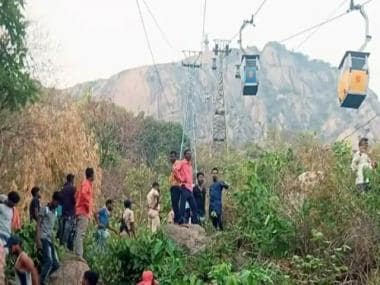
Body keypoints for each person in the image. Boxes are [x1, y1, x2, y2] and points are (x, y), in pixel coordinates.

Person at [36, 191, 61, 285]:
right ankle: (40, 282)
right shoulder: (44, 209)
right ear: (53, 199)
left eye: (59, 204)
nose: (58, 205)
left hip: (50, 239)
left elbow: (52, 229)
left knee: (56, 264)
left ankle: (41, 276)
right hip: (43, 238)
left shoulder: (55, 212)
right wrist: (38, 239)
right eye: (57, 202)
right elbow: (38, 225)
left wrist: (53, 241)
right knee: (49, 262)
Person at [74, 168, 95, 258]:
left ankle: (78, 253)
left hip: (81, 211)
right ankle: (79, 254)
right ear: (91, 175)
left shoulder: (85, 184)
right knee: (80, 233)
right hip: (83, 212)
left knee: (80, 232)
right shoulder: (86, 183)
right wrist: (87, 206)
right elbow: (83, 194)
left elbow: (76, 195)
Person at [176, 149, 199, 226]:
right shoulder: (182, 163)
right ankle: (180, 220)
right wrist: (181, 179)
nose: (190, 155)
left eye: (190, 154)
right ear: (185, 155)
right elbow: (175, 170)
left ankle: (195, 222)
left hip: (190, 188)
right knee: (182, 205)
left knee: (194, 206)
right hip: (184, 187)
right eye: (188, 154)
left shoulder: (190, 165)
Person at [58, 174, 76, 250]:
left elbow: (59, 202)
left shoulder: (62, 189)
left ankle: (61, 245)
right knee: (69, 231)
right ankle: (68, 247)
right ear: (72, 180)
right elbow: (75, 200)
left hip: (62, 212)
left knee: (62, 230)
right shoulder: (73, 189)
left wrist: (58, 213)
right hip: (70, 213)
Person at [169, 151, 181, 224]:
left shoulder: (176, 164)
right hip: (174, 186)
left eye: (172, 156)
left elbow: (178, 174)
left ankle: (178, 219)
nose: (171, 158)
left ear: (176, 157)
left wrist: (180, 180)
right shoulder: (174, 165)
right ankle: (177, 218)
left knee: (175, 203)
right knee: (175, 203)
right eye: (170, 157)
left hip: (176, 186)